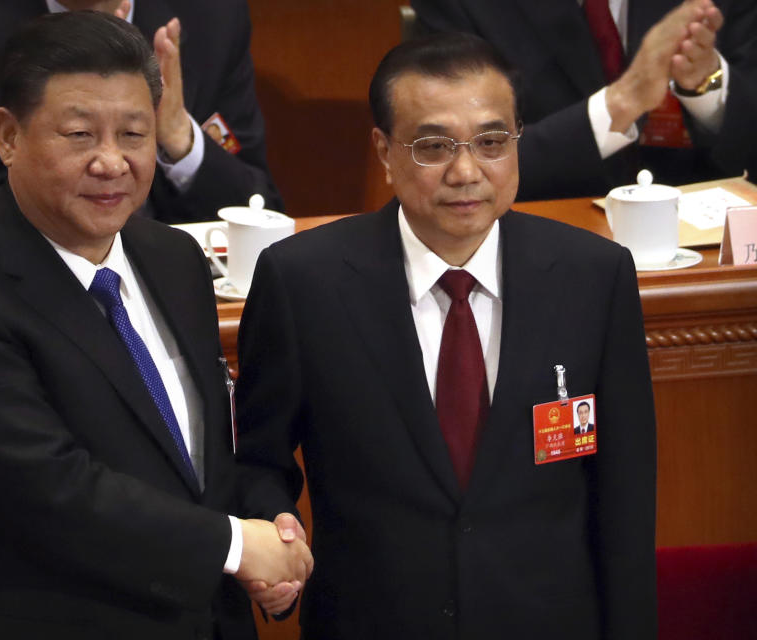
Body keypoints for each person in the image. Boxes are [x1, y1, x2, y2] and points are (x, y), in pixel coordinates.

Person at [0, 12, 309, 638]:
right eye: (80, 135)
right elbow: (53, 497)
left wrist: (271, 528)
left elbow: (207, 454)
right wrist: (233, 546)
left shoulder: (174, 259)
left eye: (134, 134)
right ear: (8, 136)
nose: (111, 162)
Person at [234, 33, 657, 638]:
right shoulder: (303, 281)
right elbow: (257, 459)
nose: (466, 171)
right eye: (433, 146)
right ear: (383, 150)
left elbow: (626, 498)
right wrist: (274, 530)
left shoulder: (596, 275)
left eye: (491, 142)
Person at [0, 0, 282, 252]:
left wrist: (179, 140)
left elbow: (259, 206)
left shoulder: (212, 17)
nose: (112, 164)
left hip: (195, 299)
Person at [409, 0, 757, 200]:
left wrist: (707, 84)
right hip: (545, 237)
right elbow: (458, 161)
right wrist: (619, 105)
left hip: (708, 245)